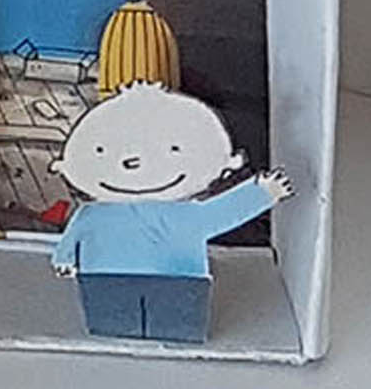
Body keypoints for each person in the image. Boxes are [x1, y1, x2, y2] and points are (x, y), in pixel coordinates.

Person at [48, 82, 293, 343]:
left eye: (173, 150)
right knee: (117, 319)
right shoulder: (92, 215)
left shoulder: (182, 215)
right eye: (102, 151)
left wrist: (262, 193)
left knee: (172, 321)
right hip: (113, 277)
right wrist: (64, 259)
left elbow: (223, 212)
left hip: (171, 278)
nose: (134, 162)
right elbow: (220, 214)